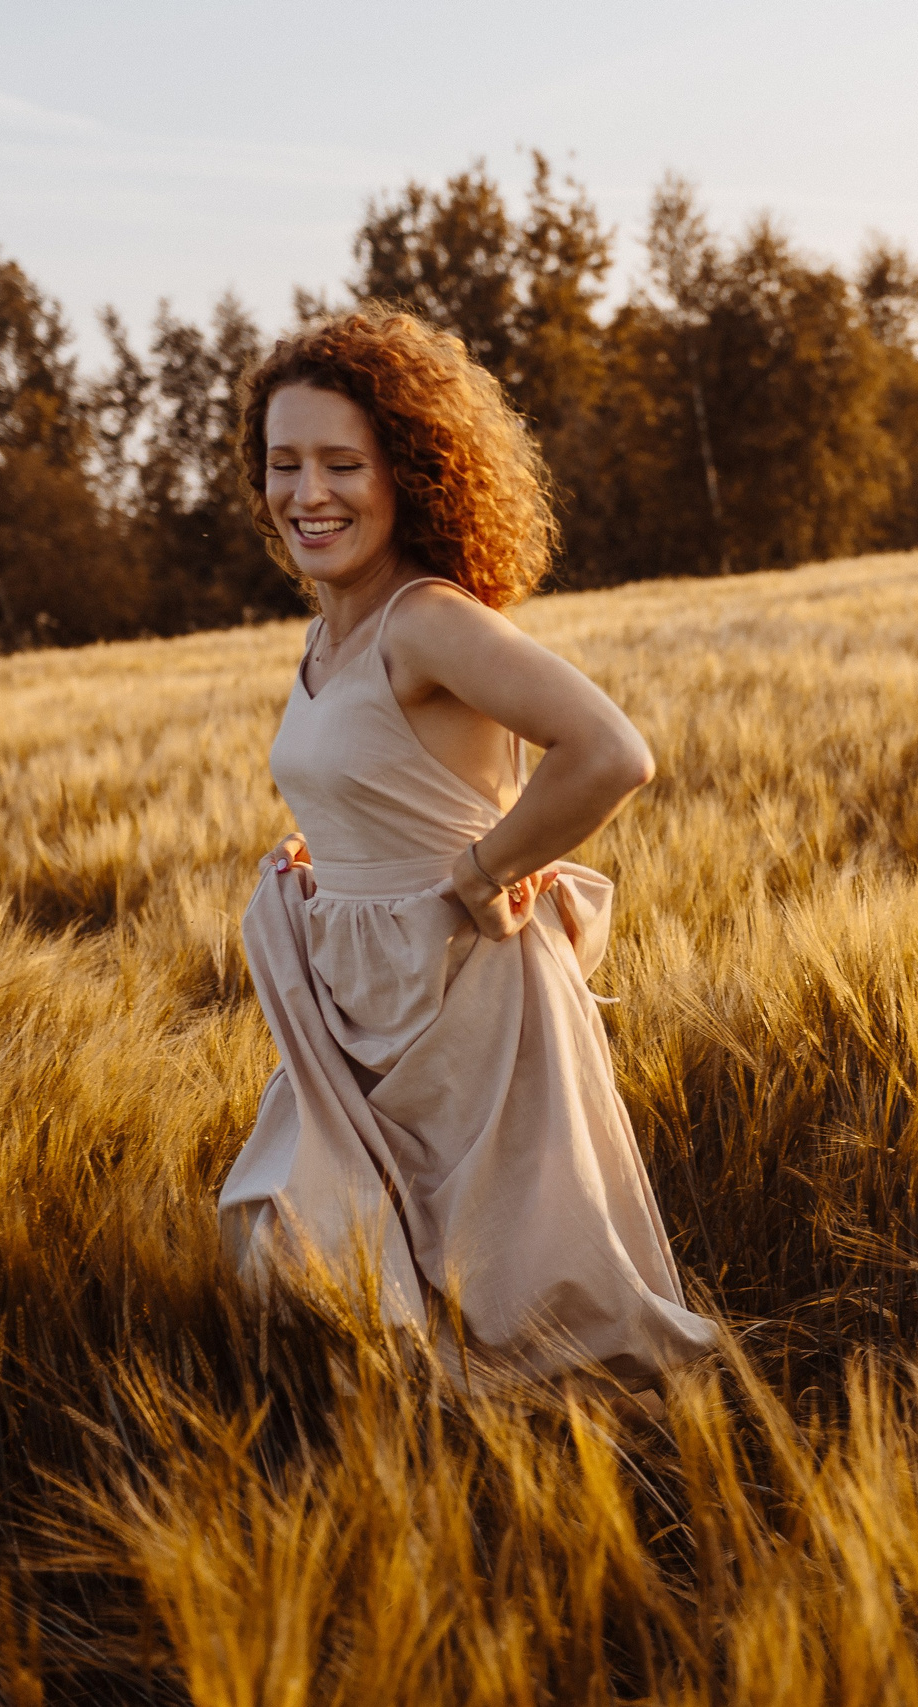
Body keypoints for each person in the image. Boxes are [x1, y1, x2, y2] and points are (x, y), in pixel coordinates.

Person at [215, 310, 716, 1390]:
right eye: (283, 463)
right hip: (354, 991)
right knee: (314, 1262)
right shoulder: (328, 630)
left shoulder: (425, 620)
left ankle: (617, 1513)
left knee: (514, 1305)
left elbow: (610, 751)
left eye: (342, 463)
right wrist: (330, 856)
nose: (309, 493)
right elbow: (394, 779)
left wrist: (481, 872)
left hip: (459, 996)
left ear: (411, 474)